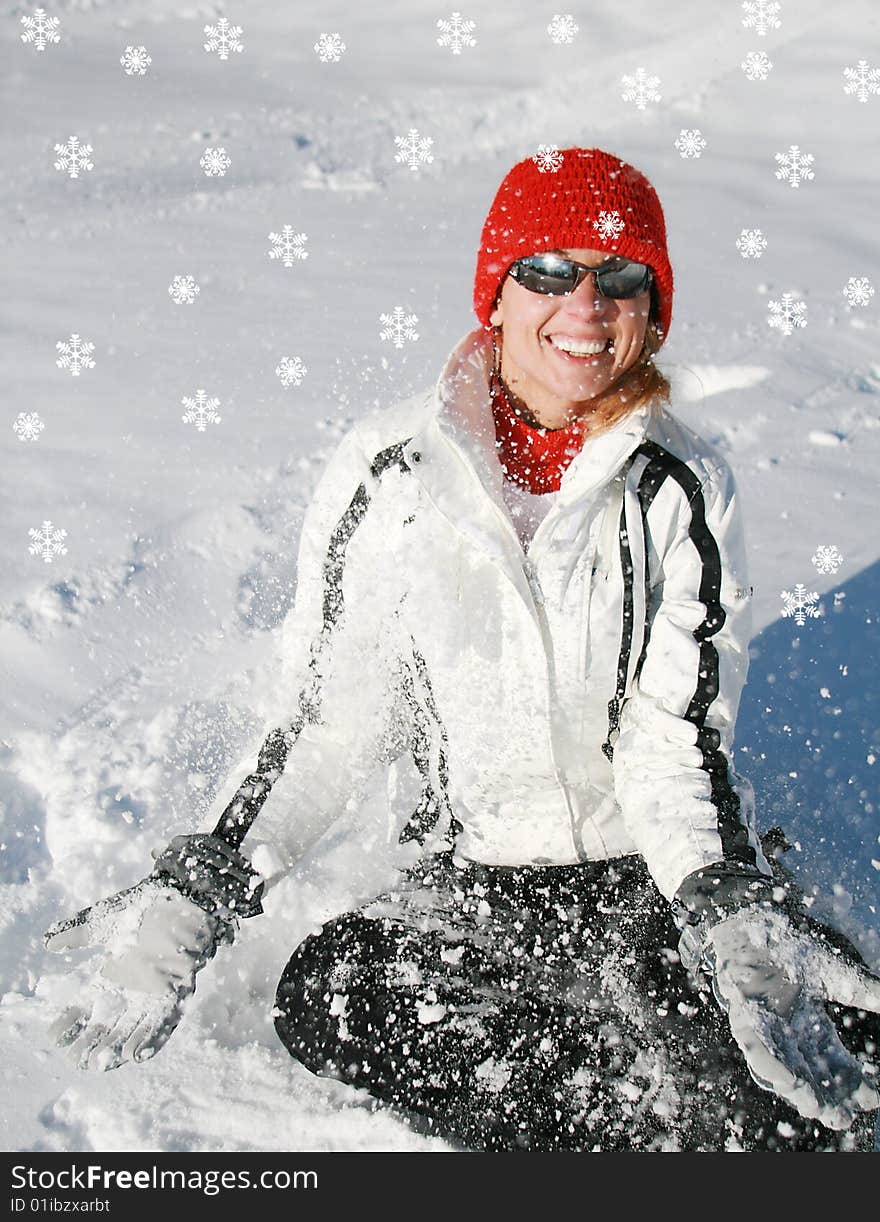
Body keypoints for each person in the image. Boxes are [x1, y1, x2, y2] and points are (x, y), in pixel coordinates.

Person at [45, 147, 880, 1152]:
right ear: (496, 289)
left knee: (806, 1071)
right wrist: (203, 888)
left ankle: (709, 1071)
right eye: (547, 272)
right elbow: (331, 720)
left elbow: (675, 740)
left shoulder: (678, 485)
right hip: (475, 888)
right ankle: (624, 1121)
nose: (584, 306)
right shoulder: (390, 473)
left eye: (620, 279)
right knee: (330, 998)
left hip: (645, 874)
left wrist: (719, 907)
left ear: (650, 311)